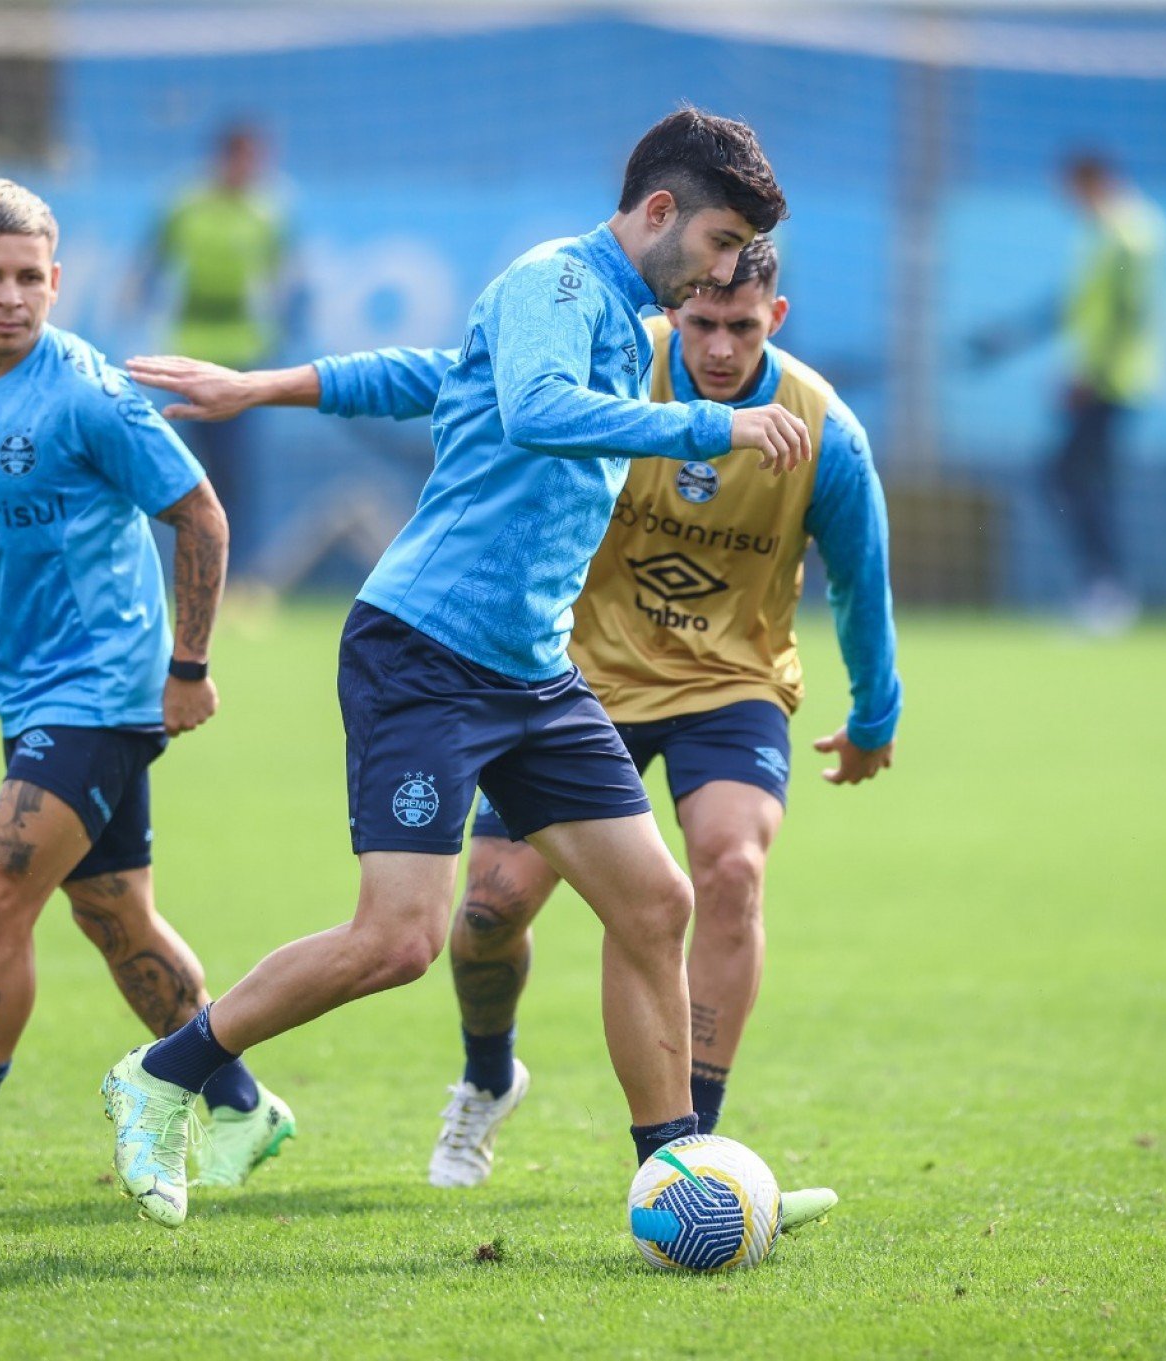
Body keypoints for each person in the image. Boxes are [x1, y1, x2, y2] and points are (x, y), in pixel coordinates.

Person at [105, 107, 823, 1232]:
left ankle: (677, 1170)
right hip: (425, 651)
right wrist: (709, 429)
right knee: (398, 940)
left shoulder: (624, 316)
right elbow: (532, 411)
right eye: (724, 241)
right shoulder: (560, 282)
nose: (728, 269)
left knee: (655, 898)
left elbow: (436, 372)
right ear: (661, 211)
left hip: (531, 669)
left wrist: (263, 385)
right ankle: (167, 1071)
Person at [0, 180, 294, 1196]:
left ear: (58, 278)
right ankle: (244, 1105)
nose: (12, 295)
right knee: (114, 915)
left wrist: (189, 669)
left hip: (104, 686)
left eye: (31, 276)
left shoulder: (88, 391)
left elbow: (202, 513)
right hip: (30, 690)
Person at [132, 123, 292, 579]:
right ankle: (185, 569)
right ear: (223, 158)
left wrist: (282, 325)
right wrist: (134, 300)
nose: (251, 168)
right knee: (185, 471)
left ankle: (238, 577)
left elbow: (285, 276)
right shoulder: (184, 205)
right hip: (190, 356)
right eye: (243, 157)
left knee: (238, 472)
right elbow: (151, 262)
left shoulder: (268, 211)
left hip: (242, 358)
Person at [1049, 153, 1165, 634]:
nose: (1069, 201)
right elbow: (1083, 305)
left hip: (1113, 382)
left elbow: (1126, 313)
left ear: (1093, 180)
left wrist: (1091, 375)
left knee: (1073, 478)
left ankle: (1109, 589)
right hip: (1107, 378)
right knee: (1075, 478)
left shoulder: (1127, 234)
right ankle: (1105, 586)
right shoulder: (1111, 232)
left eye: (1073, 188)